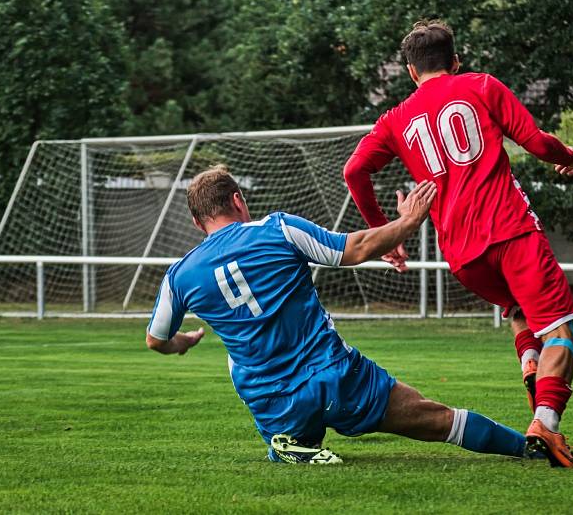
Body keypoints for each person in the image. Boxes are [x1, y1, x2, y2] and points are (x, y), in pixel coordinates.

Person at [145, 165, 548, 465]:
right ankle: (528, 448)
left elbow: (155, 339)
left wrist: (183, 342)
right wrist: (407, 222)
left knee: (248, 375)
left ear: (198, 223)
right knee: (436, 418)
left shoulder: (180, 276)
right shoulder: (278, 229)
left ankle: (288, 442)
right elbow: (353, 250)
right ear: (238, 200)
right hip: (336, 380)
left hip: (271, 402)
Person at [343, 20, 573, 467]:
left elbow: (354, 171)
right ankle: (546, 426)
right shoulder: (482, 86)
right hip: (511, 232)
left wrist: (384, 234)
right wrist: (568, 158)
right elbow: (536, 141)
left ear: (412, 72)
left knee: (518, 310)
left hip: (462, 254)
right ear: (455, 61)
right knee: (563, 332)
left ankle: (531, 362)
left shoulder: (395, 119)